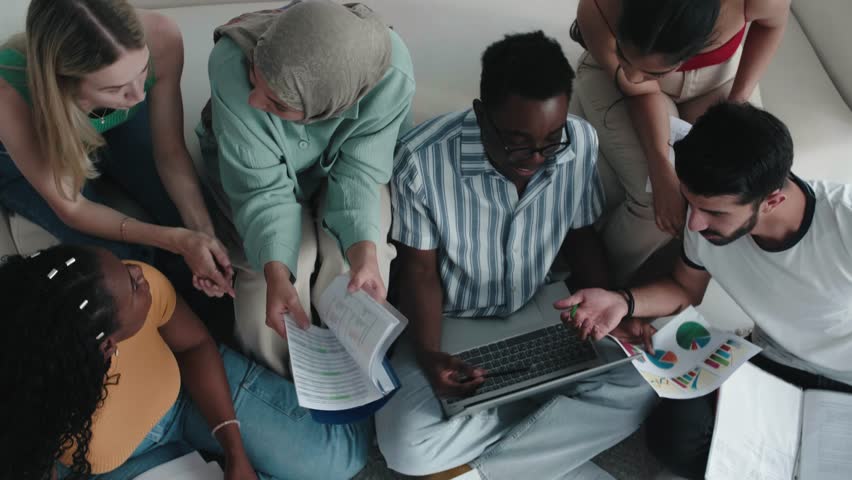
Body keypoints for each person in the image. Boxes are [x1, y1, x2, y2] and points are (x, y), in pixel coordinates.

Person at [375, 31, 656, 479]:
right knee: (403, 446)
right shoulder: (421, 161)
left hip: (542, 308)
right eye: (518, 142)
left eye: (552, 139)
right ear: (481, 114)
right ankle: (545, 416)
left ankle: (487, 466)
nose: (538, 158)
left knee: (643, 383)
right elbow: (419, 272)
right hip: (449, 326)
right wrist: (429, 355)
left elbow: (581, 235)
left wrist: (612, 309)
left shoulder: (579, 143)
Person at [559, 102, 852, 478]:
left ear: (772, 201)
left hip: (844, 383)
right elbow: (684, 287)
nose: (694, 223)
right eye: (691, 203)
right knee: (671, 437)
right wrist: (623, 301)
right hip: (767, 363)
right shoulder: (704, 225)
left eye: (714, 212)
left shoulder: (843, 224)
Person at [0, 244, 369, 480]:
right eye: (132, 285)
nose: (138, 272)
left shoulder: (142, 285)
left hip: (189, 394)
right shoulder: (29, 401)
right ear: (108, 345)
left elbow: (194, 344)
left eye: (124, 267)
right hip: (114, 467)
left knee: (341, 459)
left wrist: (235, 450)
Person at [196, 0, 415, 376]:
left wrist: (363, 253)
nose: (253, 101)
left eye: (277, 103)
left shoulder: (390, 74)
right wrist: (277, 274)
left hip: (345, 168)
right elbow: (260, 193)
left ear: (329, 108)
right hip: (251, 174)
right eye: (255, 75)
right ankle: (282, 383)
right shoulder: (230, 66)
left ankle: (350, 378)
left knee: (361, 263)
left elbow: (360, 172)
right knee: (275, 278)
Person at [0, 0, 234, 302]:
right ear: (64, 84)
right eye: (114, 88)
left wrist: (203, 236)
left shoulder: (161, 35)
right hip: (20, 158)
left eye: (143, 70)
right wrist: (174, 240)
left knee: (202, 223)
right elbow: (74, 208)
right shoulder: (10, 99)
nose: (138, 95)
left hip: (111, 123)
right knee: (123, 266)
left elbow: (170, 153)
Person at [568, 0, 790, 285]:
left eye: (656, 70)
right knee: (655, 200)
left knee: (742, 184)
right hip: (617, 81)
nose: (634, 74)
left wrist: (736, 107)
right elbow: (637, 87)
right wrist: (661, 166)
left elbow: (773, 24)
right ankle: (598, 287)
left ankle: (680, 288)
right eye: (627, 55)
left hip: (718, 78)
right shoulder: (599, 8)